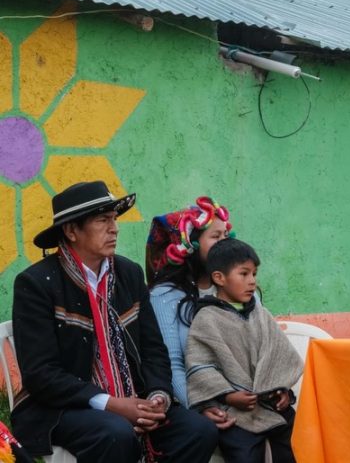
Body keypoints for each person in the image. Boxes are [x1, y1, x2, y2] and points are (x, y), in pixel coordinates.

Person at [11, 181, 217, 462]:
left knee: (199, 430)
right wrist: (110, 404)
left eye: (114, 219)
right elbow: (41, 374)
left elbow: (153, 348)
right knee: (115, 432)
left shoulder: (128, 274)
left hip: (132, 397)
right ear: (72, 231)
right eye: (102, 220)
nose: (114, 228)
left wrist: (158, 397)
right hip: (61, 408)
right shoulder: (36, 284)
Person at [186, 238, 303, 463]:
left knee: (297, 444)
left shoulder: (261, 314)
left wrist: (281, 392)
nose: (252, 281)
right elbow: (202, 366)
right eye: (244, 274)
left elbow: (278, 354)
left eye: (254, 274)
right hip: (232, 410)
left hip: (269, 405)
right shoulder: (207, 319)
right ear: (219, 278)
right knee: (244, 456)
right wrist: (229, 395)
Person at [146, 196, 236, 430]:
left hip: (244, 399)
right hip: (199, 402)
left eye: (225, 235)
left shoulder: (241, 290)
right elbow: (172, 362)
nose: (224, 244)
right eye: (215, 237)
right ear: (189, 246)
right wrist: (200, 406)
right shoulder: (165, 296)